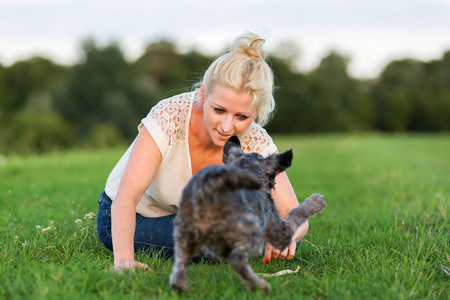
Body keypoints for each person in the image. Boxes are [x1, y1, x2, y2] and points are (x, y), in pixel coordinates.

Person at [96, 31, 309, 272]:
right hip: (131, 216)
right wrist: (124, 261)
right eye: (219, 110)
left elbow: (294, 213)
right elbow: (127, 194)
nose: (227, 126)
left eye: (241, 116)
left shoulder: (256, 141)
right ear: (203, 95)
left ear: (256, 114)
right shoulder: (169, 116)